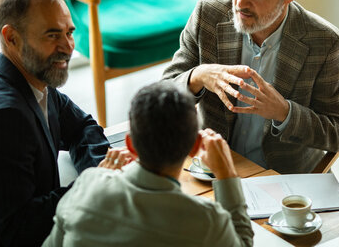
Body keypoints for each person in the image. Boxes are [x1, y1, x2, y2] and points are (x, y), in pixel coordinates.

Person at [162, 0, 339, 174]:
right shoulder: (206, 16)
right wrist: (198, 76)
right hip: (209, 169)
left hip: (280, 180)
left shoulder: (327, 43)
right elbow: (163, 95)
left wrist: (284, 111)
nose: (240, 2)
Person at [0, 0, 111, 246]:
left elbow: (82, 127)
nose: (68, 47)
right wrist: (95, 185)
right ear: (11, 37)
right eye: (52, 35)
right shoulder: (2, 119)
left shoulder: (23, 76)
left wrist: (100, 172)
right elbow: (21, 230)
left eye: (69, 33)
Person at [43, 81, 254, 247]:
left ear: (130, 144)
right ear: (194, 146)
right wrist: (227, 175)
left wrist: (97, 178)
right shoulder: (207, 222)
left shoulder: (86, 184)